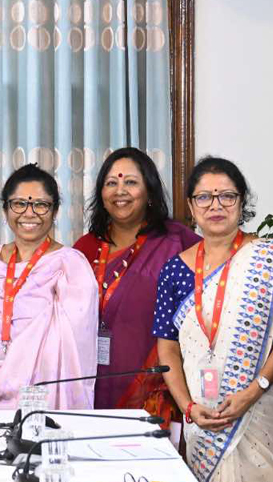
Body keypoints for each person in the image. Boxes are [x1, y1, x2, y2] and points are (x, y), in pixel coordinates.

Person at [154, 156, 273, 482]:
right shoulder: (174, 271)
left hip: (262, 408)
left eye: (226, 196)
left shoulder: (269, 259)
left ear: (241, 201)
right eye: (204, 197)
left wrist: (254, 391)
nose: (215, 206)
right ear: (191, 207)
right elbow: (167, 349)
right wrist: (188, 407)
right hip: (202, 415)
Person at [0, 163, 98, 409]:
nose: (29, 213)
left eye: (41, 204)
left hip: (40, 403)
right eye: (19, 203)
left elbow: (74, 346)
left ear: (55, 211)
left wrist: (0, 380)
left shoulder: (70, 267)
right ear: (5, 210)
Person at [73, 148, 198, 413]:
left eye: (130, 182)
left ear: (149, 192)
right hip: (92, 378)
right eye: (111, 183)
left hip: (159, 384)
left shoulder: (178, 242)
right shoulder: (84, 249)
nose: (120, 191)